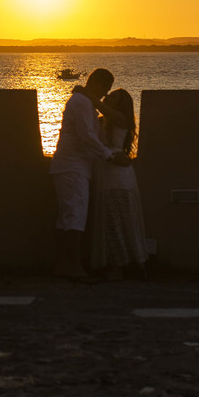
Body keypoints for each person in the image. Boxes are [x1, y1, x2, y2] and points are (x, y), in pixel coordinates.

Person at [49, 68, 130, 282]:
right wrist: (109, 156)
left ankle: (63, 265)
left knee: (67, 217)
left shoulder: (84, 101)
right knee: (75, 217)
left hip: (71, 166)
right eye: (106, 89)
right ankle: (74, 267)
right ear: (98, 84)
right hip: (73, 167)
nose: (105, 94)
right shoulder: (83, 103)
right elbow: (86, 136)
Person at [88, 88, 148, 280]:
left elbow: (103, 109)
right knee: (112, 220)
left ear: (120, 104)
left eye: (113, 96)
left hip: (118, 174)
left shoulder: (121, 118)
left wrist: (88, 95)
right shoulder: (103, 120)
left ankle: (121, 265)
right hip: (106, 171)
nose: (108, 97)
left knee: (119, 219)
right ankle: (127, 263)